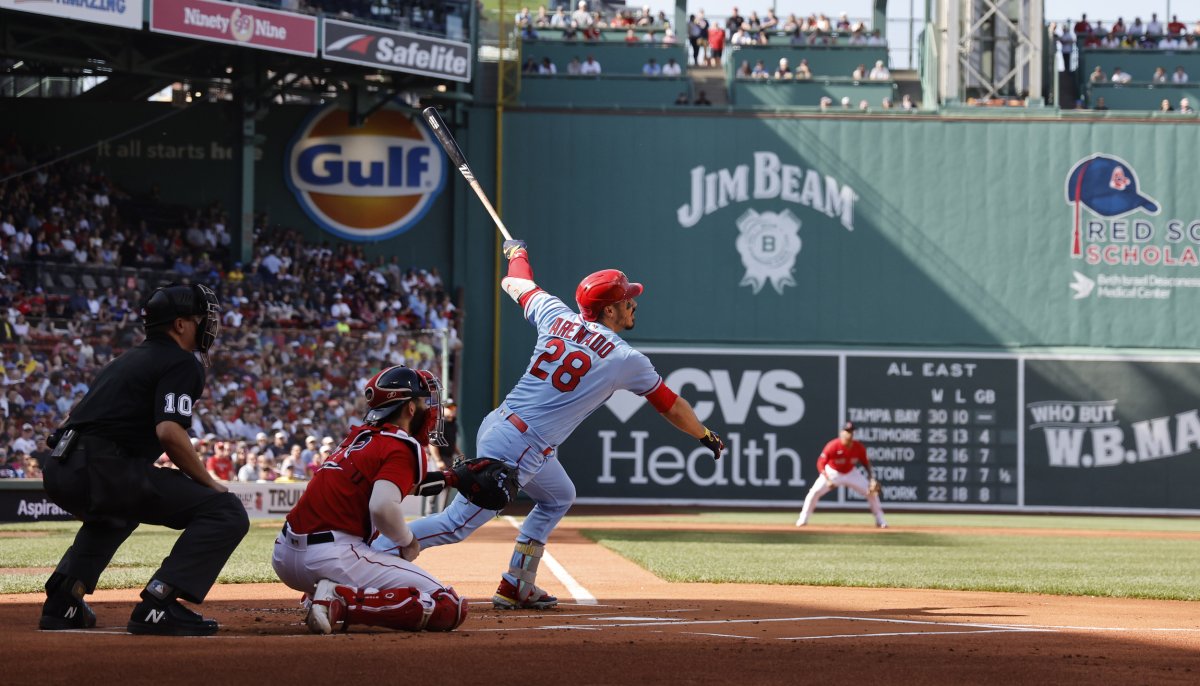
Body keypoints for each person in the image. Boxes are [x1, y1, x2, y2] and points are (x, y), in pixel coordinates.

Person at [373, 241, 725, 610]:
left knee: (559, 496)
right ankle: (369, 557)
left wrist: (517, 255)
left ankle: (517, 583)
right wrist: (702, 433)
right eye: (626, 299)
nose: (633, 302)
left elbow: (516, 284)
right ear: (610, 309)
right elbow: (670, 406)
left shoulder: (555, 313)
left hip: (502, 425)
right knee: (457, 524)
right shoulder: (625, 358)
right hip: (523, 444)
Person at [39, 283, 249, 636]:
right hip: (102, 467)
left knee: (119, 512)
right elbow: (170, 432)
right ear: (180, 325)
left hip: (61, 466)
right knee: (225, 511)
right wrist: (209, 482)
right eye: (200, 319)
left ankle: (63, 600)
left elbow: (69, 422)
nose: (207, 326)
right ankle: (159, 603)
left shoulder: (123, 360)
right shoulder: (183, 362)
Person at [273, 366, 468, 634]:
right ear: (410, 409)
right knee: (447, 606)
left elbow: (389, 485)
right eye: (422, 401)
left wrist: (450, 478)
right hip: (331, 556)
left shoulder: (358, 438)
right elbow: (382, 507)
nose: (427, 410)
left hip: (285, 554)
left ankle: (321, 593)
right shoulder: (401, 445)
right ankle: (338, 600)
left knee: (374, 552)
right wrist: (408, 542)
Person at [796, 422, 887, 528]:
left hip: (851, 472)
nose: (850, 433)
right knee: (814, 492)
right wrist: (827, 478)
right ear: (841, 433)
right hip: (833, 472)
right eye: (847, 431)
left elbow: (866, 464)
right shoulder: (833, 445)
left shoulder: (858, 447)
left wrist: (871, 479)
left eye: (852, 431)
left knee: (872, 492)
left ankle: (880, 520)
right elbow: (820, 463)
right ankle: (803, 518)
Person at [423, 398, 462, 515]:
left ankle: (442, 514)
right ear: (443, 409)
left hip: (449, 458)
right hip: (439, 458)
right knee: (434, 485)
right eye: (449, 408)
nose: (452, 410)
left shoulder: (453, 423)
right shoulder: (439, 423)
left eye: (453, 408)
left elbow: (452, 442)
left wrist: (459, 453)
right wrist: (438, 460)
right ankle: (428, 514)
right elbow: (432, 443)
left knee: (447, 485)